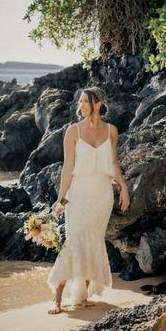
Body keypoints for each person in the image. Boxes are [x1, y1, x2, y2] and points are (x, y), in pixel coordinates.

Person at [47, 86, 130, 314]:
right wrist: (60, 200)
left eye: (85, 101)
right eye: (80, 101)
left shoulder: (112, 131)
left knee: (92, 241)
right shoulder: (72, 131)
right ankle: (57, 298)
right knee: (73, 240)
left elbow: (113, 164)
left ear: (99, 104)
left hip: (102, 194)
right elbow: (67, 168)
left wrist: (123, 187)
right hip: (79, 194)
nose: (81, 105)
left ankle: (81, 297)